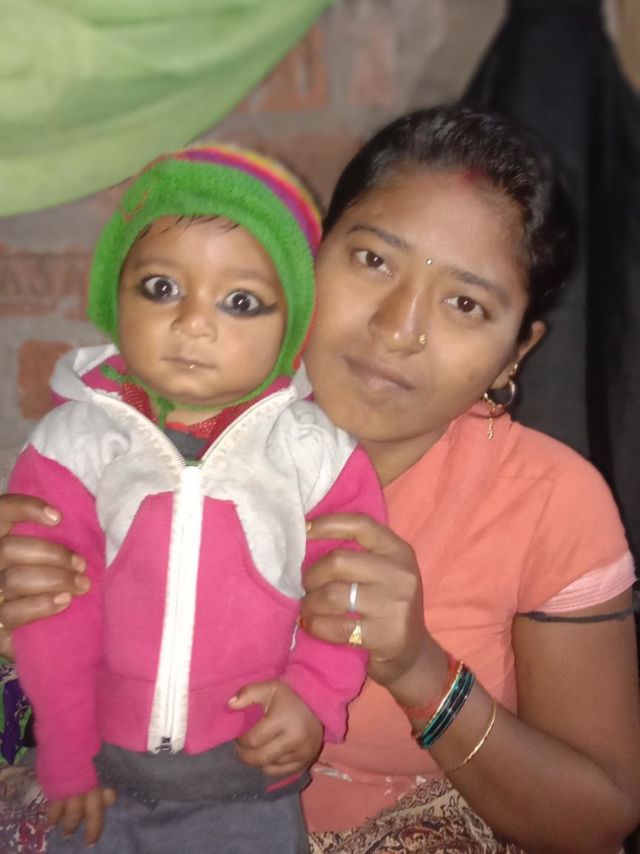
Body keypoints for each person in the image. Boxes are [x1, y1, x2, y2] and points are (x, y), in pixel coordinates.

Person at [1, 105, 639, 853]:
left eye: (465, 304)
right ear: (307, 261)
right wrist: (21, 615)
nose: (398, 328)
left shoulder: (550, 503)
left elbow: (599, 816)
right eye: (373, 261)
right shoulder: (134, 426)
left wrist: (419, 670)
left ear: (515, 352)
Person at [2, 144, 385, 852]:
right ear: (111, 295)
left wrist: (315, 695)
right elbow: (50, 608)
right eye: (161, 288)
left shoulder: (316, 456)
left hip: (251, 782)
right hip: (100, 776)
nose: (193, 323)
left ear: (292, 326)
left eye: (240, 302)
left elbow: (351, 597)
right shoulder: (71, 447)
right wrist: (64, 750)